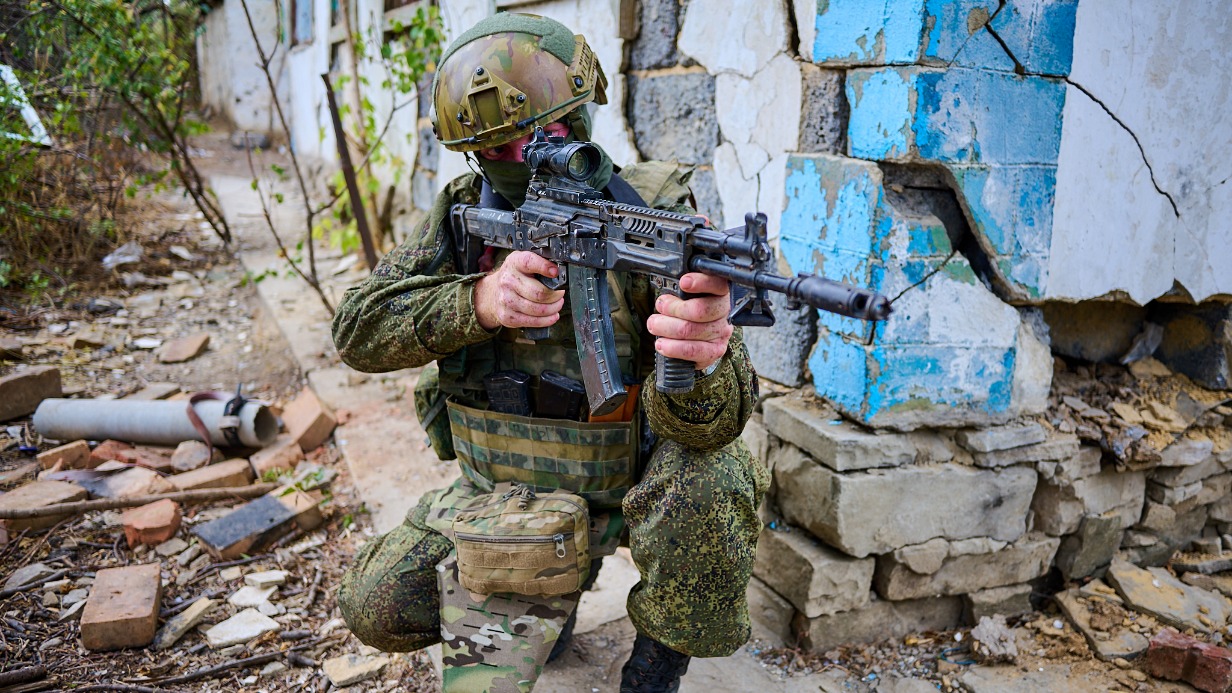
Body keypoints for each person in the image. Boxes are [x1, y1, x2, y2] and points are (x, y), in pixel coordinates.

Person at [332, 12, 767, 693]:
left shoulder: (652, 214)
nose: (524, 161)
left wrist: (705, 351)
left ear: (579, 120)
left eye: (547, 136)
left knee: (713, 478)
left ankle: (656, 664)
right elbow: (356, 327)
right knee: (376, 600)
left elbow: (707, 428)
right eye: (497, 149)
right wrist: (476, 302)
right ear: (474, 156)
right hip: (512, 496)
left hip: (628, 487)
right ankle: (546, 589)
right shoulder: (461, 214)